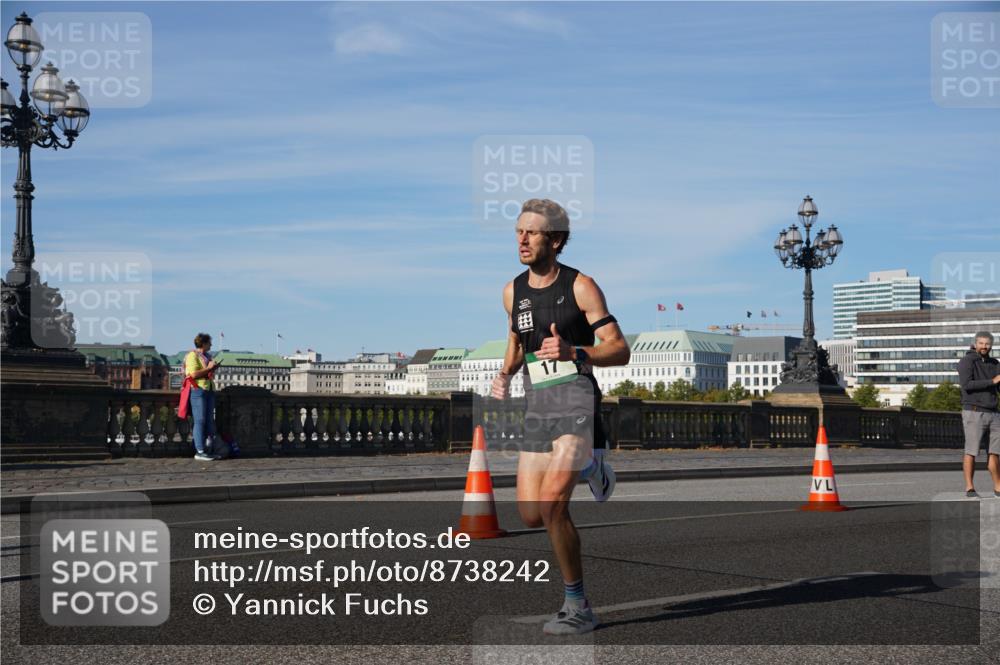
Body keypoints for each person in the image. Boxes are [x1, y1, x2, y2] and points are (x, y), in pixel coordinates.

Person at [491, 199, 630, 635]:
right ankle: (592, 464)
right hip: (538, 404)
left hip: (575, 399)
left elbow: (619, 349)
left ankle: (578, 605)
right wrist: (505, 374)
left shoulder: (582, 286)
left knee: (554, 505)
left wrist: (576, 351)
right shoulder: (511, 291)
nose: (522, 240)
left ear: (555, 239)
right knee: (531, 514)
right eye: (518, 232)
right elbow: (517, 340)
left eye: (531, 233)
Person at [958, 331, 1000, 497]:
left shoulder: (995, 363)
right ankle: (970, 487)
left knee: (995, 452)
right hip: (973, 411)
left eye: (987, 344)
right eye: (981, 343)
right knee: (972, 451)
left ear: (991, 345)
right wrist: (992, 381)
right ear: (975, 344)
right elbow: (966, 385)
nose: (984, 346)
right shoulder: (966, 361)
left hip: (994, 413)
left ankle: (998, 487)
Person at [184, 333, 222, 461]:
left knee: (209, 421)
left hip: (209, 389)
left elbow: (206, 372)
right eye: (209, 342)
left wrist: (213, 368)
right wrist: (209, 368)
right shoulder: (192, 356)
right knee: (199, 420)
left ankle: (208, 450)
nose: (211, 345)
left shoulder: (207, 356)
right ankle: (199, 451)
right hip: (198, 390)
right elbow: (193, 374)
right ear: (203, 343)